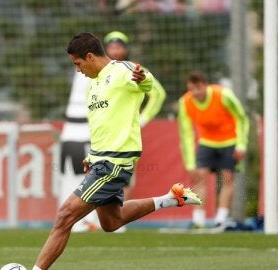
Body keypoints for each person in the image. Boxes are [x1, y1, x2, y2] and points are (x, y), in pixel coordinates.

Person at [32, 32, 201, 270]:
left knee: (64, 216)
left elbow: (149, 84)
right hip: (100, 159)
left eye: (78, 64)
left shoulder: (123, 70)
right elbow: (100, 124)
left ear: (90, 56)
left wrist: (142, 79)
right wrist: (91, 155)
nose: (78, 70)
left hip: (115, 162)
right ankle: (171, 198)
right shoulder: (92, 85)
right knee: (112, 222)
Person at [59, 30, 166, 233]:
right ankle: (110, 220)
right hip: (101, 148)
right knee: (109, 214)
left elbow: (155, 91)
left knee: (120, 179)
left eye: (119, 46)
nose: (115, 50)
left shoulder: (130, 70)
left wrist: (143, 119)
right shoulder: (95, 80)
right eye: (112, 46)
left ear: (125, 49)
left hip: (123, 143)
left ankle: (110, 222)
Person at [177, 70, 249, 230]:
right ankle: (198, 220)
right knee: (198, 177)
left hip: (230, 141)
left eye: (198, 88)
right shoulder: (185, 102)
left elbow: (242, 117)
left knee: (227, 178)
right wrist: (190, 163)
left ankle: (221, 219)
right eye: (191, 89)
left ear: (206, 86)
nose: (195, 93)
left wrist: (241, 144)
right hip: (207, 142)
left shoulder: (223, 95)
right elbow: (186, 133)